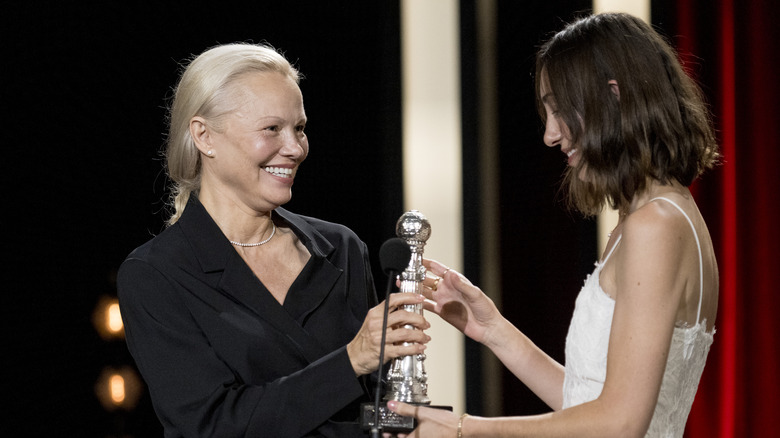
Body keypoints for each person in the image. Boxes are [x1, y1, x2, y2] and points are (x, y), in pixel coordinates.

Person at [387, 12, 720, 438]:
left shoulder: (656, 225)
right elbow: (588, 402)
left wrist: (464, 429)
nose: (549, 134)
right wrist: (495, 331)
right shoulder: (651, 218)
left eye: (559, 111)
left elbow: (620, 424)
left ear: (613, 97)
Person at [117, 43, 430, 438]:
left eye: (299, 128)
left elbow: (381, 411)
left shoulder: (342, 249)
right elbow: (211, 426)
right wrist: (351, 360)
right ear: (204, 136)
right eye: (271, 129)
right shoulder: (156, 274)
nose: (295, 149)